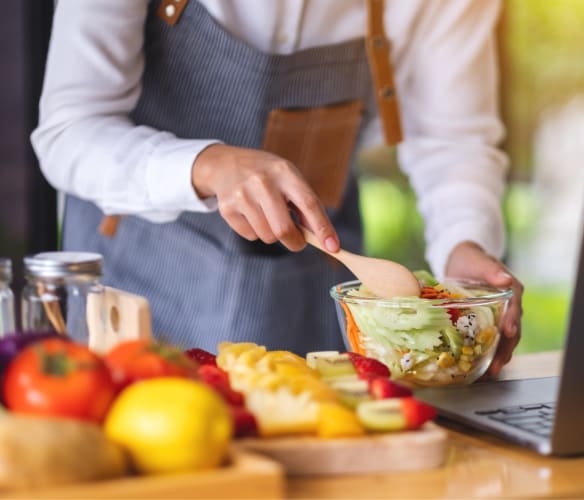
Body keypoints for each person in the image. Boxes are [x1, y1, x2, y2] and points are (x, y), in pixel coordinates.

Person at [31, 0, 523, 376]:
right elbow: (68, 130)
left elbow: (453, 139)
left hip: (304, 286)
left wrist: (465, 241)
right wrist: (208, 165)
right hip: (135, 279)